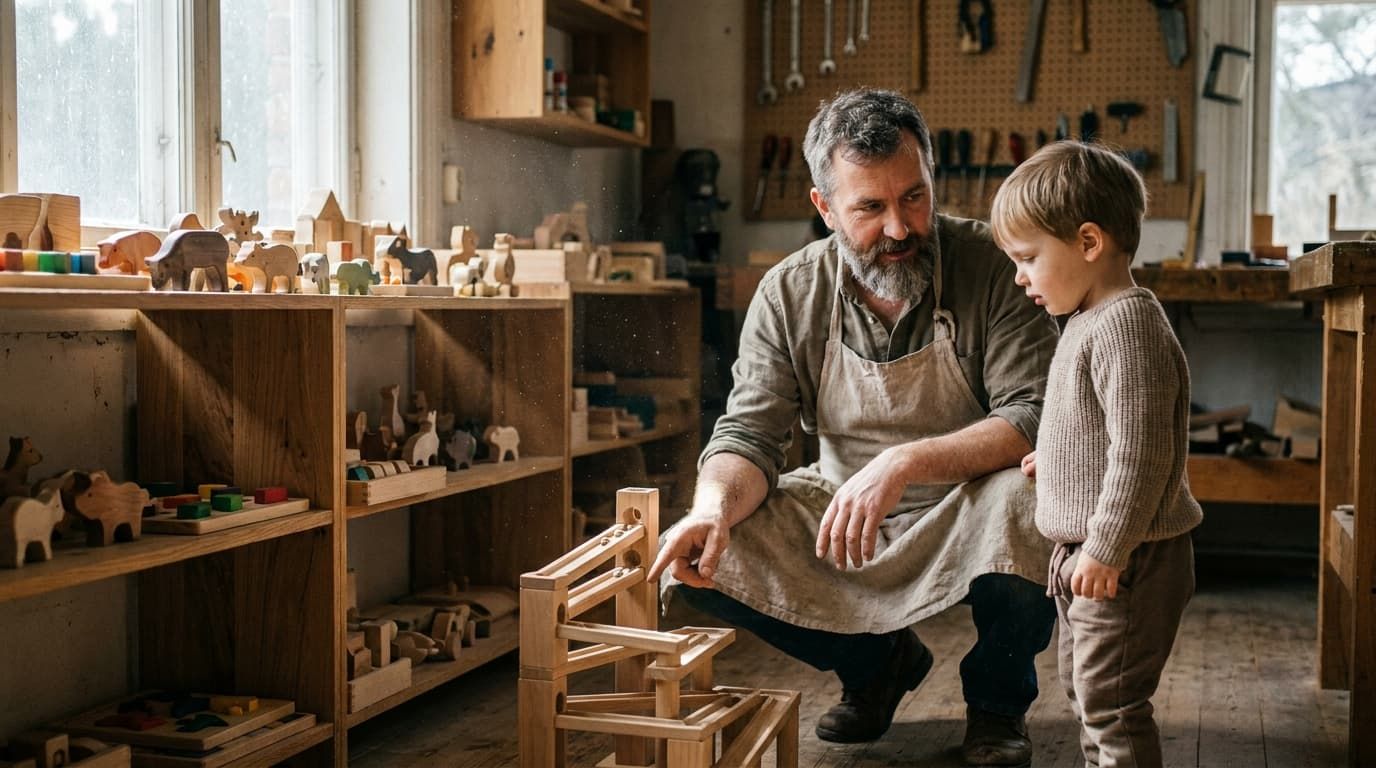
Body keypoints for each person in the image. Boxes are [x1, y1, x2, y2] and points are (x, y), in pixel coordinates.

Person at [646, 88, 1059, 767]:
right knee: (705, 558)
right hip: (842, 501)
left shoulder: (993, 265)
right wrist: (711, 508)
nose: (899, 228)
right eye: (870, 208)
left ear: (932, 179)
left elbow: (1032, 416)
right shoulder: (789, 292)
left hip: (972, 500)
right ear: (826, 207)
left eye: (914, 197)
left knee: (1035, 498)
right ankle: (876, 667)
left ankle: (997, 704)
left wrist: (902, 463)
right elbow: (749, 435)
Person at [989, 140, 1203, 768]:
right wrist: (1055, 458)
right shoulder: (1087, 318)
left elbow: (1141, 455)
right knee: (1086, 694)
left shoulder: (1127, 327)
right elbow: (1096, 427)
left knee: (1112, 704)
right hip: (1088, 552)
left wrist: (1108, 548)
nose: (1020, 276)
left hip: (1127, 557)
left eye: (1028, 258)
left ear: (1088, 242)